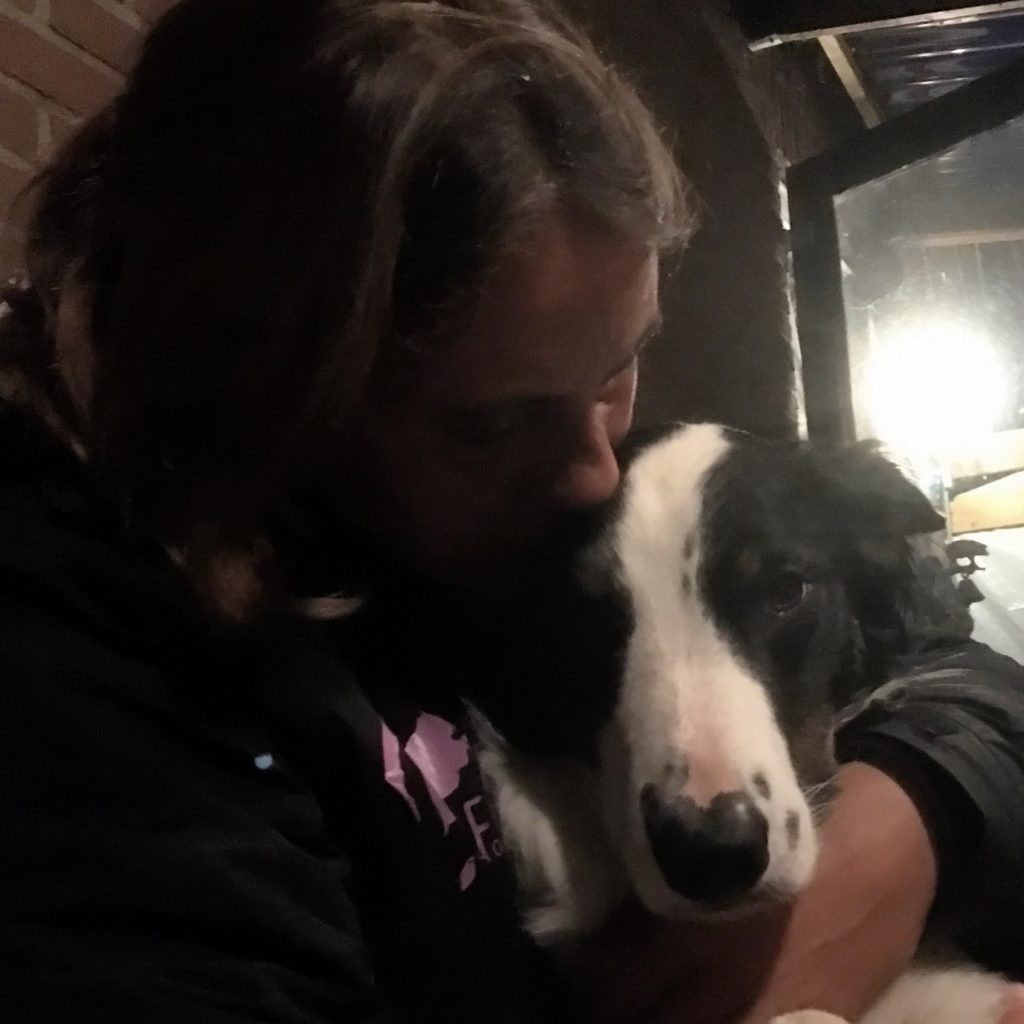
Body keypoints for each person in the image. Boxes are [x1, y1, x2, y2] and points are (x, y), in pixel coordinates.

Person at [1, 1, 1023, 1023]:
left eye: (617, 367)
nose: (595, 473)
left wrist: (913, 807)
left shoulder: (471, 529)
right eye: (490, 424)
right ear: (279, 387)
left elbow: (962, 669)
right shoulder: (86, 652)